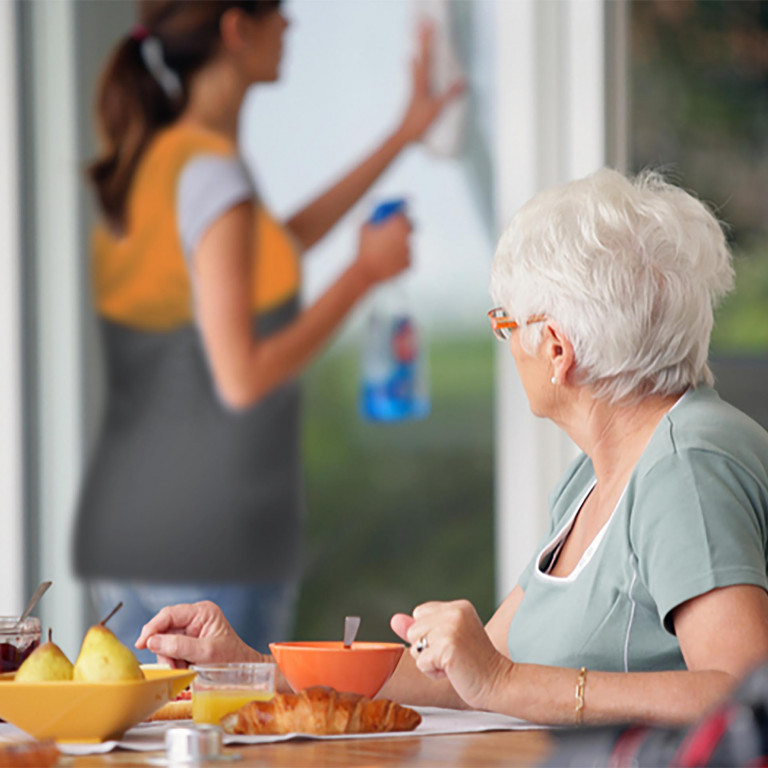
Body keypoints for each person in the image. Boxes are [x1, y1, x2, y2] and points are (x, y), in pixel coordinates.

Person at [135, 168, 768, 725]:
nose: (504, 343)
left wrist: (502, 681)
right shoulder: (595, 477)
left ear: (555, 349)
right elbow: (466, 684)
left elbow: (743, 693)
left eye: (505, 323)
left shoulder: (687, 466)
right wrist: (248, 667)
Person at [74, 0, 462, 659]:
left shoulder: (170, 159)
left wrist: (403, 135)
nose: (291, 25)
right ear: (237, 28)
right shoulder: (214, 176)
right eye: (278, 12)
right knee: (237, 746)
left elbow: (272, 251)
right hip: (212, 533)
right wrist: (363, 275)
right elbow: (243, 376)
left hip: (137, 523)